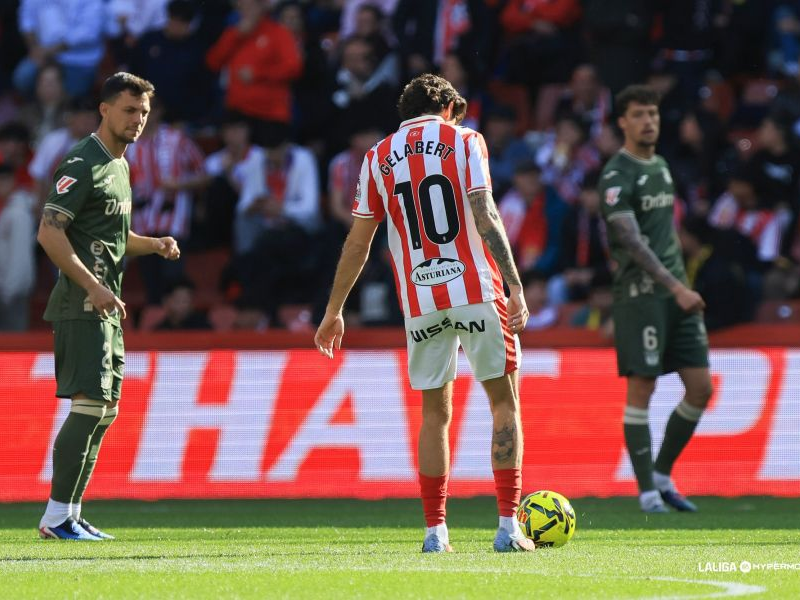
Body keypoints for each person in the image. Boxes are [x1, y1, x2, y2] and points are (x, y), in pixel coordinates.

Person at [314, 74, 534, 553]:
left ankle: (436, 532)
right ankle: (507, 528)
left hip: (421, 299)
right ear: (450, 108)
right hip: (477, 290)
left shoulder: (376, 157)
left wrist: (334, 309)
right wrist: (515, 286)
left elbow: (358, 241)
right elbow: (483, 210)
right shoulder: (466, 140)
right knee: (503, 402)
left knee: (435, 413)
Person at [36, 72, 180, 540]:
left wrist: (151, 243)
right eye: (128, 110)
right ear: (104, 110)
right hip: (82, 304)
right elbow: (49, 231)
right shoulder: (82, 161)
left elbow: (113, 237)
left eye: (143, 113)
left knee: (105, 409)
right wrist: (92, 287)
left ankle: (71, 514)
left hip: (105, 305)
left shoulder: (119, 166)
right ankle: (56, 516)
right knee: (90, 404)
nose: (137, 120)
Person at [598, 85, 713, 514]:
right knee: (642, 388)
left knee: (700, 388)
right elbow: (632, 242)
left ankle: (663, 475)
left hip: (676, 295)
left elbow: (665, 236)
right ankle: (647, 492)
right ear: (622, 123)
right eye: (640, 115)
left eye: (653, 114)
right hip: (642, 296)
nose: (649, 122)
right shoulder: (616, 175)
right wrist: (677, 287)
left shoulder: (662, 167)